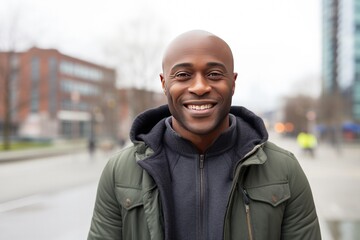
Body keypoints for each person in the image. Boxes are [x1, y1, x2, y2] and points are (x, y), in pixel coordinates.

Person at [88, 30, 321, 240]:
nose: (199, 87)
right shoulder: (119, 172)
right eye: (182, 75)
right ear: (164, 83)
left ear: (233, 82)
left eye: (214, 74)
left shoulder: (284, 170)